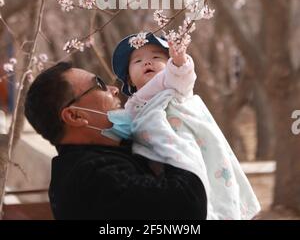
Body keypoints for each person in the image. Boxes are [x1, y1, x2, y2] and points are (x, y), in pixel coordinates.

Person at [24, 61, 207, 220]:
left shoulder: (104, 156)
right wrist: (172, 137)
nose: (114, 89)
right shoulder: (90, 178)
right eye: (99, 84)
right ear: (75, 116)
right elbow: (187, 205)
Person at [111, 32, 261, 220]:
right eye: (138, 61)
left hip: (191, 147)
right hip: (162, 160)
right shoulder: (133, 106)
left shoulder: (172, 84)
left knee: (209, 194)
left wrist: (179, 60)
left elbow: (182, 74)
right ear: (130, 79)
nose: (147, 63)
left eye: (156, 57)